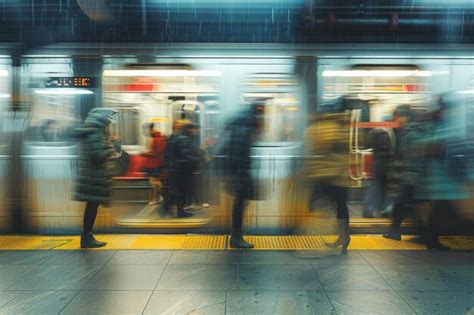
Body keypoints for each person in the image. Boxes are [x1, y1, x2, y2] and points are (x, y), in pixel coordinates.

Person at [304, 107, 352, 254]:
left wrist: (310, 173)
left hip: (327, 177)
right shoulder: (339, 127)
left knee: (319, 207)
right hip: (337, 177)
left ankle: (316, 247)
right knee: (340, 209)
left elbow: (319, 153)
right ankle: (343, 238)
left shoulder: (325, 128)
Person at [220, 103, 264, 249]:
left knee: (242, 201)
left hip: (237, 171)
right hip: (239, 172)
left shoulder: (241, 124)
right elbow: (240, 154)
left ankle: (237, 234)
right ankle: (236, 236)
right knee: (240, 202)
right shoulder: (245, 128)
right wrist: (241, 176)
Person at [73, 108, 117, 248]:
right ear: (102, 119)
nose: (110, 121)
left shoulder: (94, 130)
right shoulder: (95, 132)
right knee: (92, 207)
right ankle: (86, 237)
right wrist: (111, 149)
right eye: (109, 118)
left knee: (92, 206)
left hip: (92, 176)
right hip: (93, 176)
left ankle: (87, 236)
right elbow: (97, 155)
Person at [383, 105, 423, 241]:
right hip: (410, 175)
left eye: (398, 117)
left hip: (411, 175)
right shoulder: (405, 132)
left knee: (403, 204)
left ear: (405, 117)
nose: (396, 120)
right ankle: (424, 234)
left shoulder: (410, 133)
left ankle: (425, 235)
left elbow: (408, 156)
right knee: (407, 205)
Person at [162, 121, 201, 218]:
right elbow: (185, 155)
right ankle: (178, 211)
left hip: (175, 169)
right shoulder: (184, 139)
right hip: (182, 170)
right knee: (181, 192)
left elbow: (168, 155)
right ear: (188, 129)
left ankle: (169, 207)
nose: (194, 131)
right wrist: (196, 160)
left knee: (177, 192)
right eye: (193, 129)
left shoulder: (174, 138)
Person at [141, 123, 167, 205]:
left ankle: (158, 197)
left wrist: (145, 154)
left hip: (154, 164)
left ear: (150, 129)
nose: (144, 132)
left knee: (154, 182)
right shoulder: (158, 137)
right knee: (155, 182)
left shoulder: (156, 138)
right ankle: (159, 197)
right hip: (154, 163)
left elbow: (157, 153)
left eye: (145, 130)